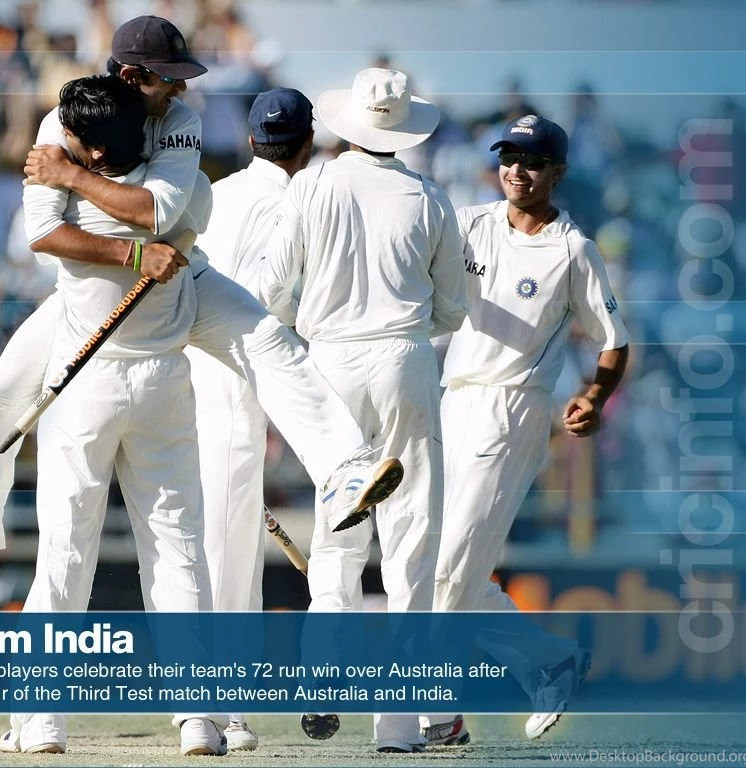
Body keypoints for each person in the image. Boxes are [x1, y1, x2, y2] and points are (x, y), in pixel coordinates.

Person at [0, 16, 403, 599]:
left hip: (182, 274)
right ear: (133, 76)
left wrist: (71, 176)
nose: (181, 88)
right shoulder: (65, 120)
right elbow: (43, 234)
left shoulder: (179, 119)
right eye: (169, 78)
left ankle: (344, 467)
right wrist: (134, 251)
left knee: (267, 340)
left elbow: (158, 213)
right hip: (96, 293)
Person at [0, 74, 223, 756]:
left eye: (70, 137)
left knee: (65, 548)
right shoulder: (179, 193)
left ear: (91, 153)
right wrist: (138, 245)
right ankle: (199, 719)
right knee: (177, 550)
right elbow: (156, 204)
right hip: (162, 383)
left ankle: (41, 720)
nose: (57, 140)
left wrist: (66, 176)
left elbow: (39, 235)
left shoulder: (73, 199)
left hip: (84, 383)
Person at [261, 68, 468, 754]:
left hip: (328, 362)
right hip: (405, 358)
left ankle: (324, 676)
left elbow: (270, 288)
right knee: (411, 545)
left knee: (336, 536)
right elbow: (453, 309)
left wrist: (304, 326)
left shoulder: (311, 185)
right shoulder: (429, 198)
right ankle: (399, 727)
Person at [419, 115, 629, 747]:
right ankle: (548, 661)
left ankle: (436, 713)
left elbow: (613, 340)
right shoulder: (471, 223)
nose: (517, 170)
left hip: (514, 410)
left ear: (557, 173)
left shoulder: (572, 249)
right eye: (509, 157)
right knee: (438, 564)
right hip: (453, 399)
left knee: (452, 567)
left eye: (533, 162)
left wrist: (593, 395)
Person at [184, 87, 317, 752]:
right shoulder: (303, 201)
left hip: (191, 375)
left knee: (205, 547)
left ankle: (213, 707)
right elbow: (279, 302)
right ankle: (213, 710)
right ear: (307, 143)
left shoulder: (217, 192)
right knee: (227, 552)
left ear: (251, 139)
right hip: (240, 376)